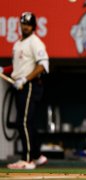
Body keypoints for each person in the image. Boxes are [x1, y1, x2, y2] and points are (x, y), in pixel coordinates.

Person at [0, 12, 49, 169]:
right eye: (23, 23)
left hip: (29, 85)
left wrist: (24, 79)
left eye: (28, 24)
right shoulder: (18, 44)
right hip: (19, 85)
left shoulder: (36, 42)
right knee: (27, 122)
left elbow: (42, 65)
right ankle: (37, 156)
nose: (25, 26)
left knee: (23, 122)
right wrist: (4, 69)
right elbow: (17, 67)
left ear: (33, 26)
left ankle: (27, 159)